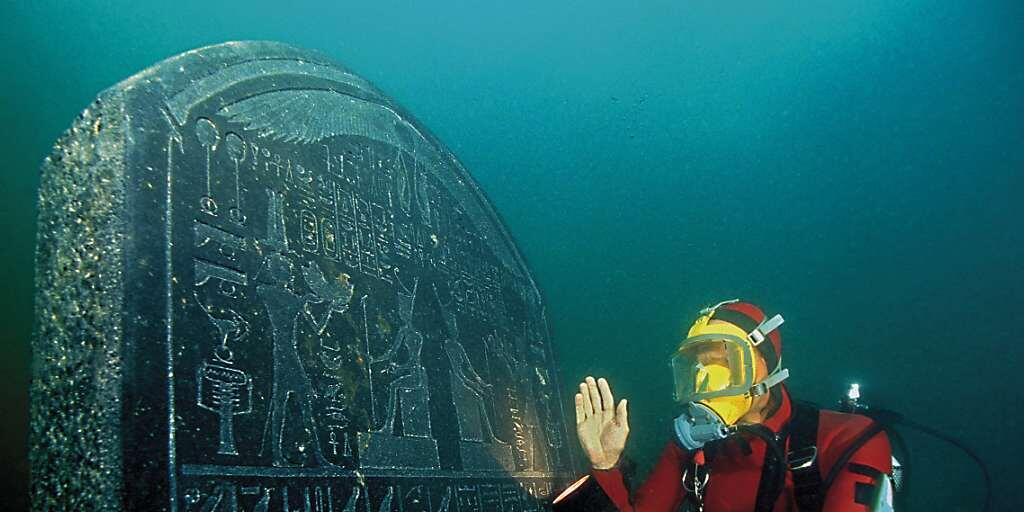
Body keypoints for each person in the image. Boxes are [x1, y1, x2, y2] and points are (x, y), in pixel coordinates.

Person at [552, 300, 895, 511]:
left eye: (726, 362)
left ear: (767, 364)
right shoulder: (692, 448)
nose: (707, 383)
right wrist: (606, 465)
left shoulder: (847, 440)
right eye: (696, 368)